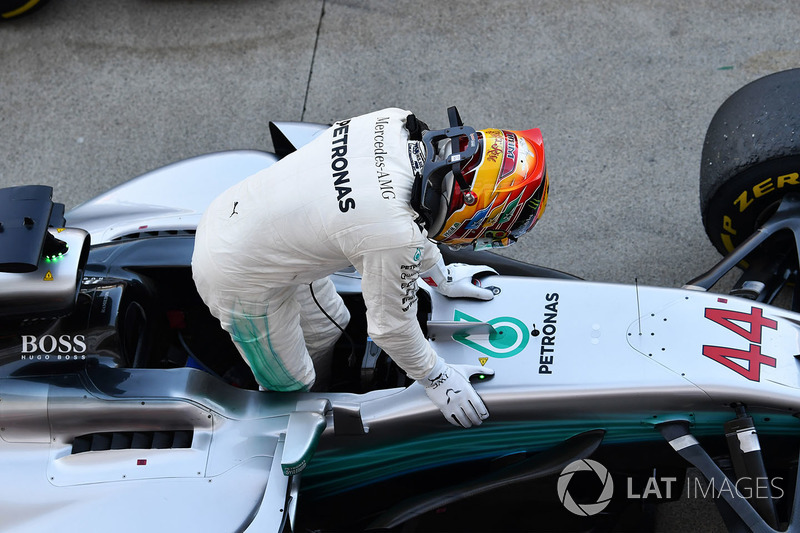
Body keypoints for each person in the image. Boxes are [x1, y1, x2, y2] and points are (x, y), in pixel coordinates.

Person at [191, 107, 548, 428]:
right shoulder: (393, 235)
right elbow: (390, 328)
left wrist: (439, 275)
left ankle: (322, 394)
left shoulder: (394, 122)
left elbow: (403, 210)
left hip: (242, 215)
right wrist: (437, 378)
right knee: (291, 386)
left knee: (332, 329)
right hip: (234, 274)